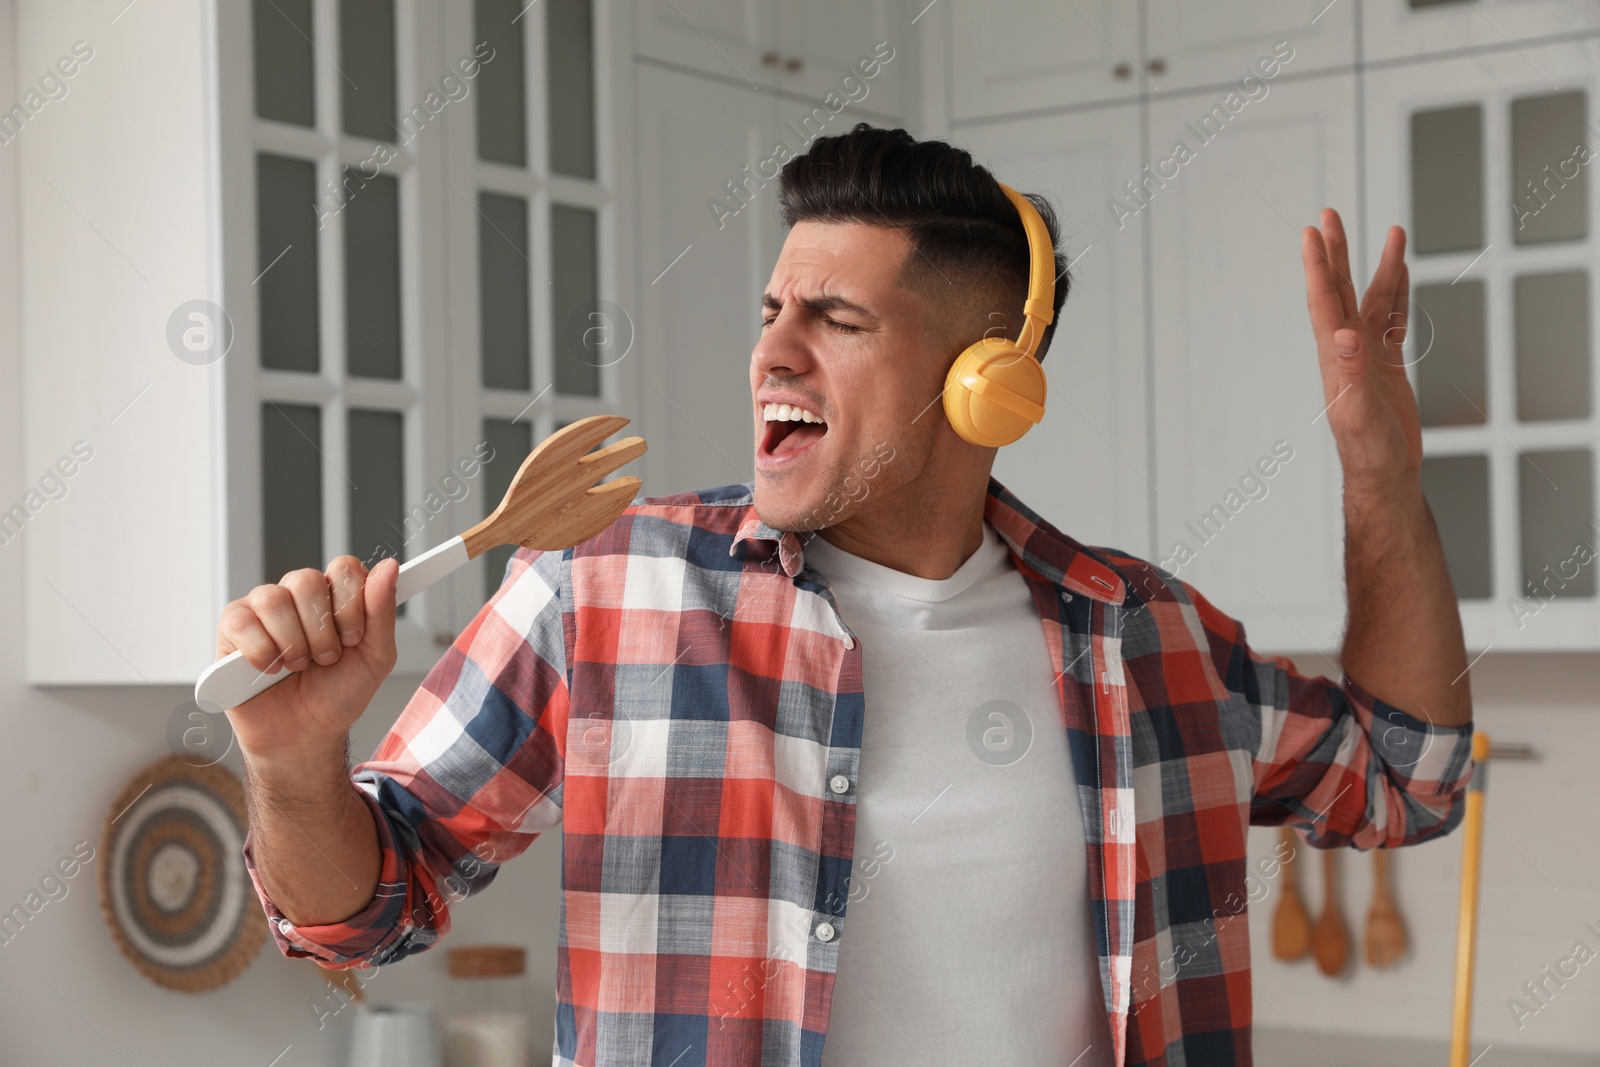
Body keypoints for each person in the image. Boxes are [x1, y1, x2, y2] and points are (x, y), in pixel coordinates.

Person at [218, 123, 1474, 1067]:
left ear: (989, 380)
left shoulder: (1148, 641)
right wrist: (291, 765)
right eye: (773, 310)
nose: (772, 348)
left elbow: (1406, 775)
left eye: (834, 317)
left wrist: (1380, 475)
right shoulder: (605, 589)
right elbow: (364, 916)